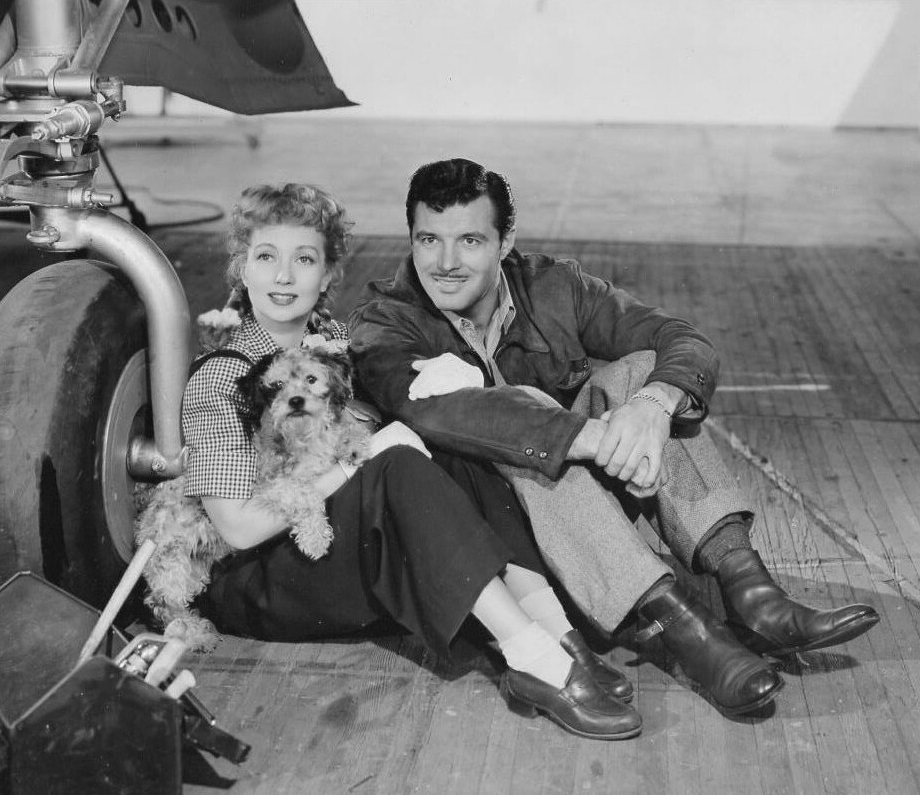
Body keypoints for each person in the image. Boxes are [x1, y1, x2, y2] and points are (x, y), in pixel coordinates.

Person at [348, 158, 880, 718]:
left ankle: (751, 592)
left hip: (587, 521)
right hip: (499, 548)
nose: (445, 263)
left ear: (506, 242)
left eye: (470, 240)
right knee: (521, 417)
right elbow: (443, 412)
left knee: (644, 372)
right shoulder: (384, 320)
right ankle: (688, 632)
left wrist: (653, 407)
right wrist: (588, 436)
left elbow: (681, 339)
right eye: (428, 240)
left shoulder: (554, 286)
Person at [180, 182, 643, 741]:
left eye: (303, 259)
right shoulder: (221, 378)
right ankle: (531, 658)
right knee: (395, 466)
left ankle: (556, 634)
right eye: (265, 258)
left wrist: (437, 386)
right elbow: (236, 529)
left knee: (452, 446)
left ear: (327, 275)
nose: (283, 277)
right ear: (241, 269)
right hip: (264, 582)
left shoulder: (336, 343)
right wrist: (356, 465)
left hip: (332, 547)